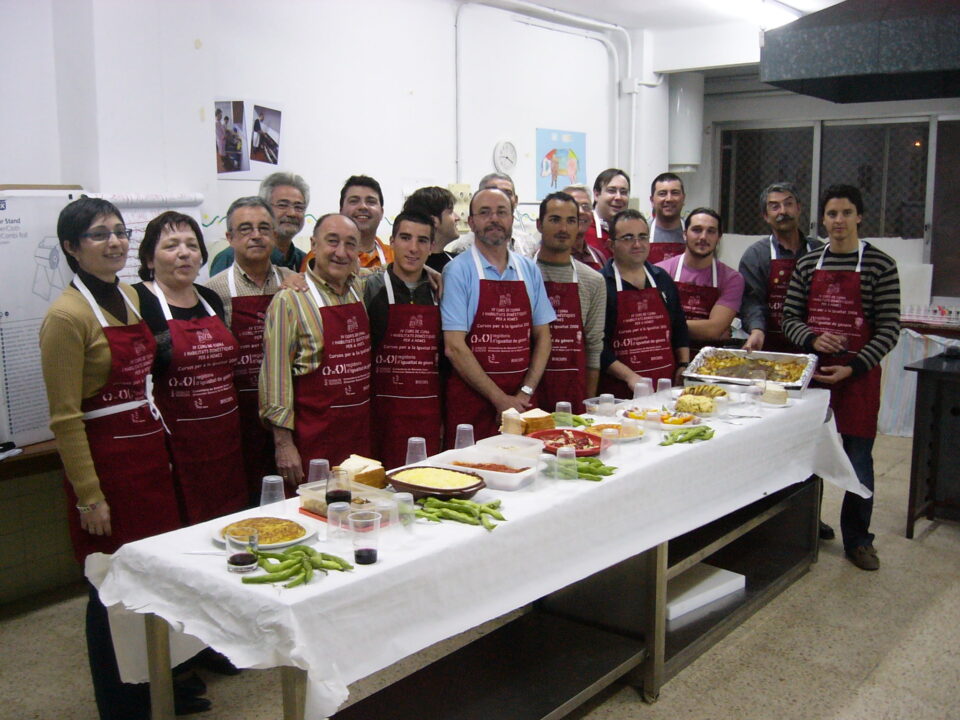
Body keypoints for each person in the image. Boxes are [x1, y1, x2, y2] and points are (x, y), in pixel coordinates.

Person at [39, 197, 202, 719]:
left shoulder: (131, 297)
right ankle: (122, 704)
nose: (112, 243)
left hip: (150, 457)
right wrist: (90, 496)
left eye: (117, 232)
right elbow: (65, 418)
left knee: (158, 578)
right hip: (107, 467)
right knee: (111, 589)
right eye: (96, 235)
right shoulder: (65, 318)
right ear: (71, 247)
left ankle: (163, 684)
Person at [782, 184, 901, 571]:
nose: (839, 221)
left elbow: (889, 328)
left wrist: (854, 365)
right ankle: (806, 526)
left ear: (859, 216)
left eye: (846, 213)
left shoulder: (881, 265)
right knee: (806, 457)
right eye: (832, 214)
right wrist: (814, 338)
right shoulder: (807, 264)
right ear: (823, 219)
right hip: (813, 377)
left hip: (858, 380)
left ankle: (858, 540)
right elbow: (789, 319)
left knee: (858, 462)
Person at [133, 212, 246, 524]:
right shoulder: (138, 300)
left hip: (225, 439)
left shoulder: (209, 297)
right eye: (171, 245)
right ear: (149, 258)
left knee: (228, 524)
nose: (184, 253)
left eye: (192, 245)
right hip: (173, 444)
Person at [260, 213, 372, 485]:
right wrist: (283, 445)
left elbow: (402, 271)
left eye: (350, 244)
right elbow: (276, 377)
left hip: (360, 435)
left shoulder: (362, 286)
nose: (341, 253)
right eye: (332, 242)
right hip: (314, 438)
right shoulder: (290, 299)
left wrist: (434, 272)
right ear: (313, 244)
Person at [441, 187, 555, 443]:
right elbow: (455, 347)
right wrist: (500, 400)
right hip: (472, 403)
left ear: (512, 218)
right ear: (471, 222)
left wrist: (524, 392)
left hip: (523, 400)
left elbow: (544, 337)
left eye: (501, 212)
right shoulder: (458, 271)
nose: (494, 219)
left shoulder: (529, 270)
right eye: (484, 213)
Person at [206, 197, 293, 502]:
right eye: (245, 229)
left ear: (274, 235)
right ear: (229, 238)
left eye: (263, 228)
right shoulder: (212, 290)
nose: (256, 235)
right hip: (240, 413)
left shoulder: (294, 282)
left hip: (290, 408)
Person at [363, 211, 442, 467]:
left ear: (431, 247)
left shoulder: (441, 290)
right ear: (392, 241)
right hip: (382, 411)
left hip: (428, 411)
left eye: (422, 241)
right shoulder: (369, 287)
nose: (413, 248)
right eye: (405, 238)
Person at [600, 209, 690, 397]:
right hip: (620, 391)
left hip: (666, 386)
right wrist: (630, 377)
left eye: (642, 236)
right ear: (611, 244)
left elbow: (679, 327)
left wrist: (683, 364)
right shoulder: (601, 284)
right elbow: (597, 346)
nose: (637, 244)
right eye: (628, 238)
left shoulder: (662, 278)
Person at [535, 191, 606, 414]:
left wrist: (589, 406)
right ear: (539, 225)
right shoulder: (523, 275)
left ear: (578, 227)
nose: (563, 229)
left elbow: (594, 347)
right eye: (555, 220)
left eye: (570, 221)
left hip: (572, 393)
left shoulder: (593, 280)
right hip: (529, 392)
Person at [739, 182, 823, 353]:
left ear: (799, 208)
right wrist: (757, 330)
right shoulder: (755, 255)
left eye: (788, 204)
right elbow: (751, 302)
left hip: (816, 345)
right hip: (770, 347)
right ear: (765, 215)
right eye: (775, 206)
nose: (783, 211)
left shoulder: (819, 251)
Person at [655, 208, 744, 354]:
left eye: (711, 231)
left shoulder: (732, 279)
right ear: (685, 234)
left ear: (719, 237)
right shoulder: (660, 272)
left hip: (710, 363)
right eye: (697, 230)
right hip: (667, 356)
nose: (703, 237)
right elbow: (655, 324)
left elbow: (714, 330)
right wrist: (706, 329)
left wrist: (668, 324)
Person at [210, 172, 309, 273]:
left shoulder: (305, 261)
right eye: (282, 205)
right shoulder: (230, 258)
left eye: (299, 207)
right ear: (264, 208)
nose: (292, 213)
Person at [444, 173, 540, 258]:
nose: (501, 197)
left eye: (507, 193)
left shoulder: (529, 244)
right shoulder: (464, 247)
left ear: (516, 200)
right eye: (494, 192)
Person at [402, 185, 461, 272]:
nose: (458, 218)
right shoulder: (411, 268)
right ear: (433, 220)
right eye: (451, 212)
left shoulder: (460, 262)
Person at [582, 168, 630, 263]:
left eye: (623, 192)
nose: (618, 197)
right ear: (596, 194)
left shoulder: (632, 231)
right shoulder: (583, 229)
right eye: (611, 191)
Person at [562, 184, 606, 271]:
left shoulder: (598, 256)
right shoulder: (550, 254)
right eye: (574, 206)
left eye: (586, 207)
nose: (581, 211)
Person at [647, 172, 687, 264]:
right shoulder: (642, 232)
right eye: (662, 193)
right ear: (652, 200)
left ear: (683, 198)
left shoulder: (693, 232)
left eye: (675, 193)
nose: (669, 199)